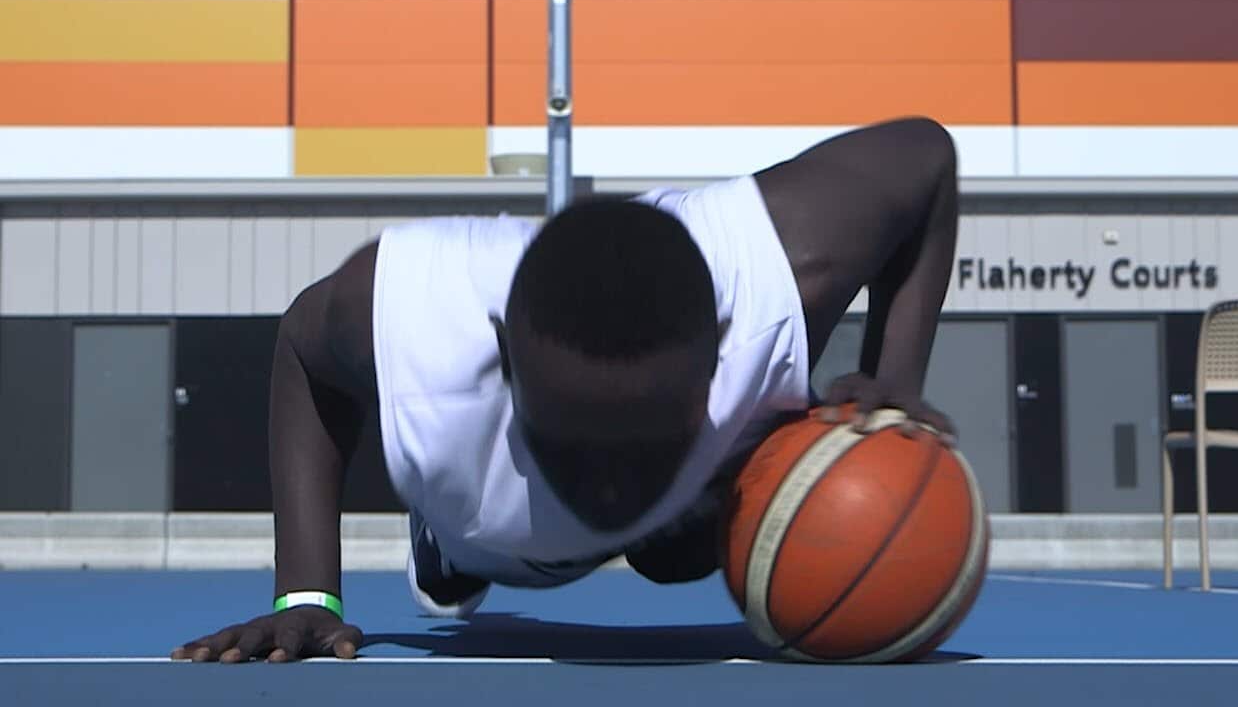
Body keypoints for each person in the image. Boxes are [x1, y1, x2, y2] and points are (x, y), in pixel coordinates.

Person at [170, 117, 960, 664]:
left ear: (721, 349)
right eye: (581, 448)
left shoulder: (772, 284)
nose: (612, 492)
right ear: (501, 361)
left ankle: (680, 487)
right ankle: (445, 546)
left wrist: (894, 381)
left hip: (693, 497)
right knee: (543, 526)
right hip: (502, 526)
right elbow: (302, 354)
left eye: (644, 446)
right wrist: (308, 594)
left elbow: (926, 155)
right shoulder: (416, 323)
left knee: (682, 549)